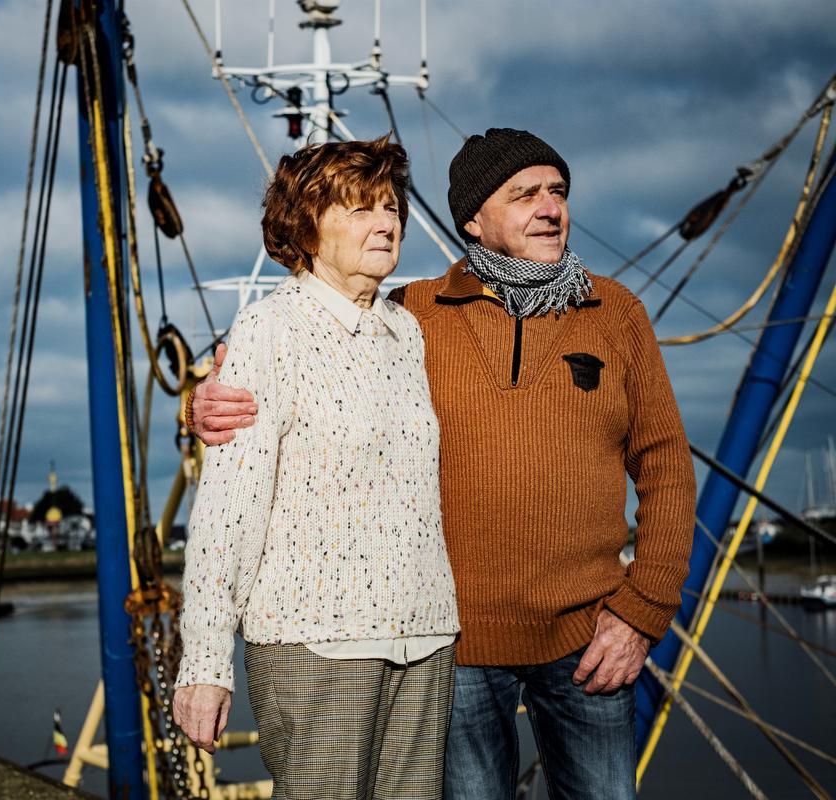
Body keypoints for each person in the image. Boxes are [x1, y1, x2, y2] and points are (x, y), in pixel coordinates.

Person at [188, 128, 696, 799]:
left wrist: (643, 611)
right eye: (525, 194)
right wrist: (201, 406)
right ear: (473, 219)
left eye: (558, 192)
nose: (550, 207)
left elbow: (666, 466)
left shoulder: (611, 313)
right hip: (457, 652)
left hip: (587, 640)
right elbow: (288, 385)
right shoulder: (415, 313)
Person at [173, 136, 460, 800]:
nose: (386, 222)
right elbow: (228, 508)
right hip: (314, 647)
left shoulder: (408, 331)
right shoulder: (268, 330)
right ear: (305, 226)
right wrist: (207, 662)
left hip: (424, 642)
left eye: (391, 206)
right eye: (361, 208)